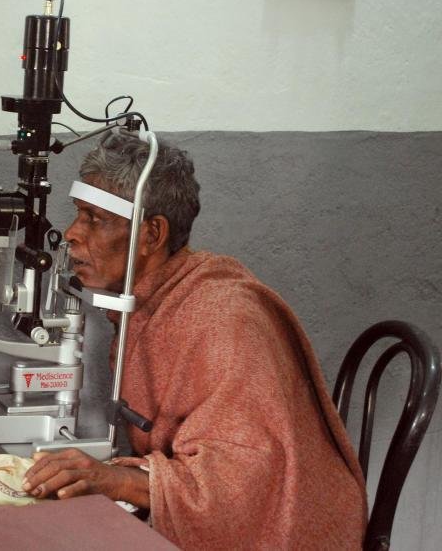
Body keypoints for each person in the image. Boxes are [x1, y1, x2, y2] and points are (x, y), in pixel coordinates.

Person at [22, 132, 367, 549]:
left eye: (96, 219)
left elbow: (239, 483)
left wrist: (113, 478)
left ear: (151, 235)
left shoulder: (224, 320)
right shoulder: (154, 302)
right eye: (78, 214)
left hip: (288, 526)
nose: (73, 233)